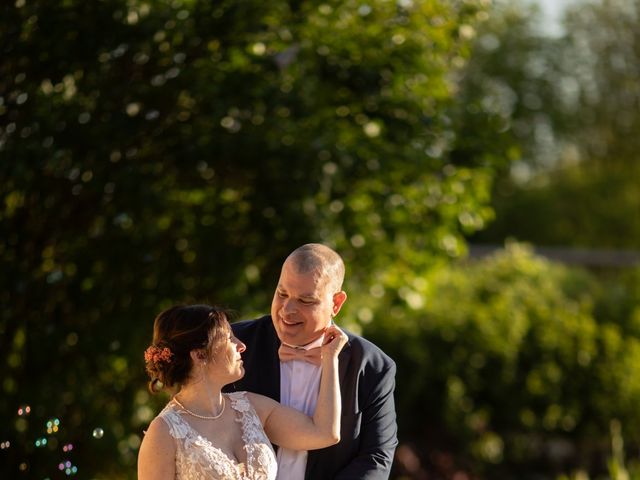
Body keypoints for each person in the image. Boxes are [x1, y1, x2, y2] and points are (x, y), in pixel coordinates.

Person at [228, 243, 398, 479]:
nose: (287, 310)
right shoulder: (232, 344)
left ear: (336, 303)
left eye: (305, 301)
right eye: (282, 294)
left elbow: (376, 458)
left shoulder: (373, 367)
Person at [137, 304, 347, 480]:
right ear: (200, 355)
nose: (241, 345)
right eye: (229, 338)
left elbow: (324, 433)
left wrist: (330, 358)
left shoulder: (250, 407)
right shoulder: (163, 432)